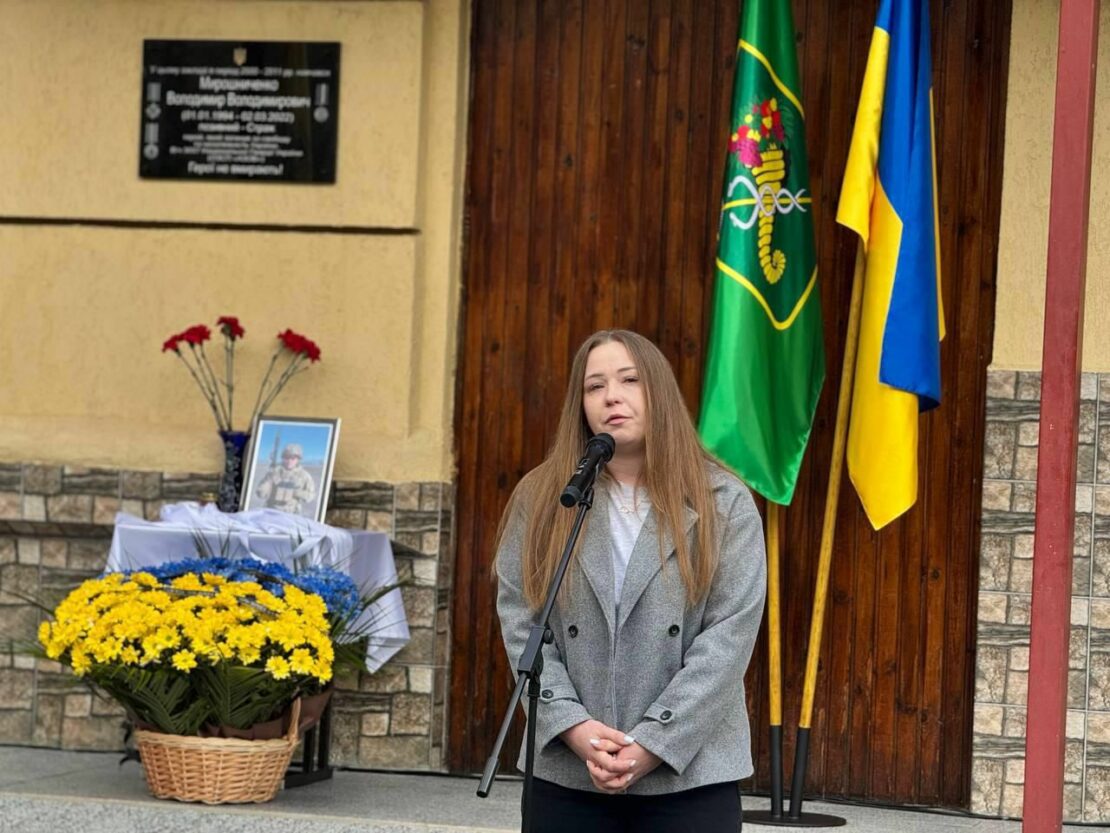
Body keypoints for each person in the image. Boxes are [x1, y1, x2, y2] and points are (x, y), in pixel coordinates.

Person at [495, 329, 767, 833]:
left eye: (629, 380)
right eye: (594, 386)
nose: (611, 397)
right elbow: (521, 618)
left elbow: (729, 635)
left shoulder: (722, 501)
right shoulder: (545, 498)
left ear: (658, 392)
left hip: (691, 772)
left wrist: (654, 743)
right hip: (568, 773)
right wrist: (574, 728)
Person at [255, 443, 316, 516]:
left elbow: (310, 496)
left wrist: (296, 492)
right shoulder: (273, 473)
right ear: (283, 458)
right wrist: (269, 481)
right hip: (271, 511)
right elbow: (261, 494)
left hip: (292, 514)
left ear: (298, 460)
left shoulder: (304, 476)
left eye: (293, 458)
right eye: (287, 458)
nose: (289, 461)